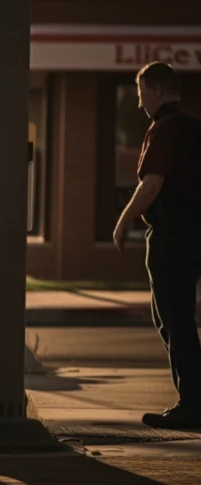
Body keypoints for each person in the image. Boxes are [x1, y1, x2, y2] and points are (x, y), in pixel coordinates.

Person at [113, 61, 201, 429]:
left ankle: (193, 405)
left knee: (173, 320)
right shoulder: (195, 129)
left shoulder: (163, 130)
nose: (139, 103)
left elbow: (152, 184)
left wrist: (124, 219)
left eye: (141, 94)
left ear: (158, 90)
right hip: (194, 235)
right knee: (175, 318)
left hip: (171, 238)